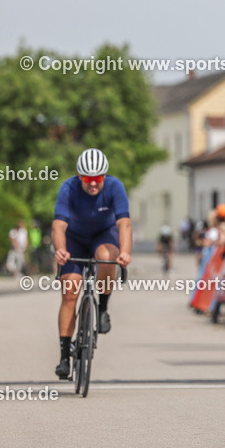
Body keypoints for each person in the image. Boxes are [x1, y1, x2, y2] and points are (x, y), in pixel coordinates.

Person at [52, 148, 132, 380]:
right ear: (79, 175)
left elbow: (124, 224)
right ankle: (64, 356)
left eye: (98, 179)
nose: (93, 184)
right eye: (88, 179)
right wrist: (60, 249)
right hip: (75, 239)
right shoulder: (68, 188)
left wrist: (125, 252)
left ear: (104, 177)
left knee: (107, 257)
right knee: (69, 291)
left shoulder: (115, 187)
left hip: (103, 235)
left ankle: (103, 308)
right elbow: (59, 226)